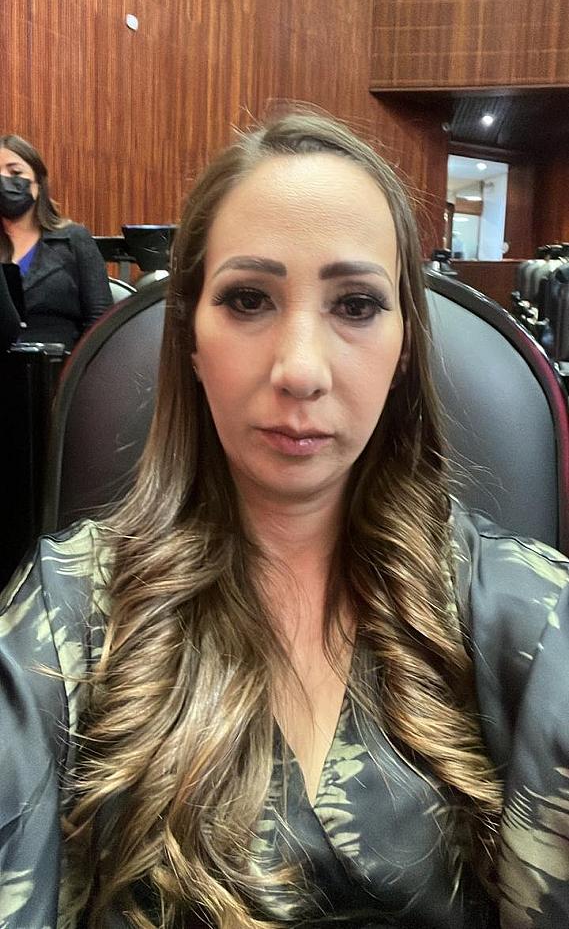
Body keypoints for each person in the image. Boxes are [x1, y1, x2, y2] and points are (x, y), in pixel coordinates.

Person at [0, 112, 568, 929]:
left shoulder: (532, 617)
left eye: (355, 305)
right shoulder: (63, 616)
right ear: (191, 341)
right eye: (248, 299)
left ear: (404, 347)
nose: (299, 370)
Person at [0, 135, 112, 350]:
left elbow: (100, 322)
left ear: (38, 184)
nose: (4, 182)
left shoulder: (73, 239)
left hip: (62, 363)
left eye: (15, 173)